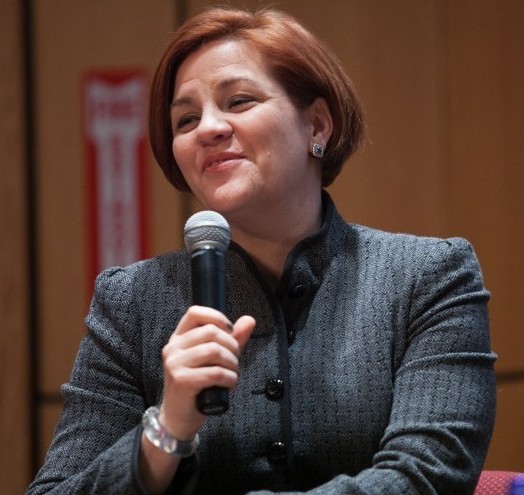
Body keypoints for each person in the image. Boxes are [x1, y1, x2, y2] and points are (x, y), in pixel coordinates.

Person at [27, 6, 497, 495]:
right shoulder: (132, 303)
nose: (208, 128)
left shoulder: (428, 277)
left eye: (239, 101)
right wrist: (166, 429)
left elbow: (426, 477)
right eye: (186, 118)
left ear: (317, 126)